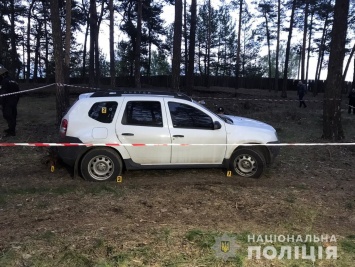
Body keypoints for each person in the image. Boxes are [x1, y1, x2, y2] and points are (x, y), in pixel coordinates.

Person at [0, 66, 20, 137]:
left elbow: (3, 93)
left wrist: (1, 102)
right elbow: (18, 92)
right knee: (13, 115)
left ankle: (11, 132)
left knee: (8, 115)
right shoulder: (13, 80)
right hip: (14, 101)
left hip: (7, 101)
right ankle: (11, 129)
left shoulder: (4, 81)